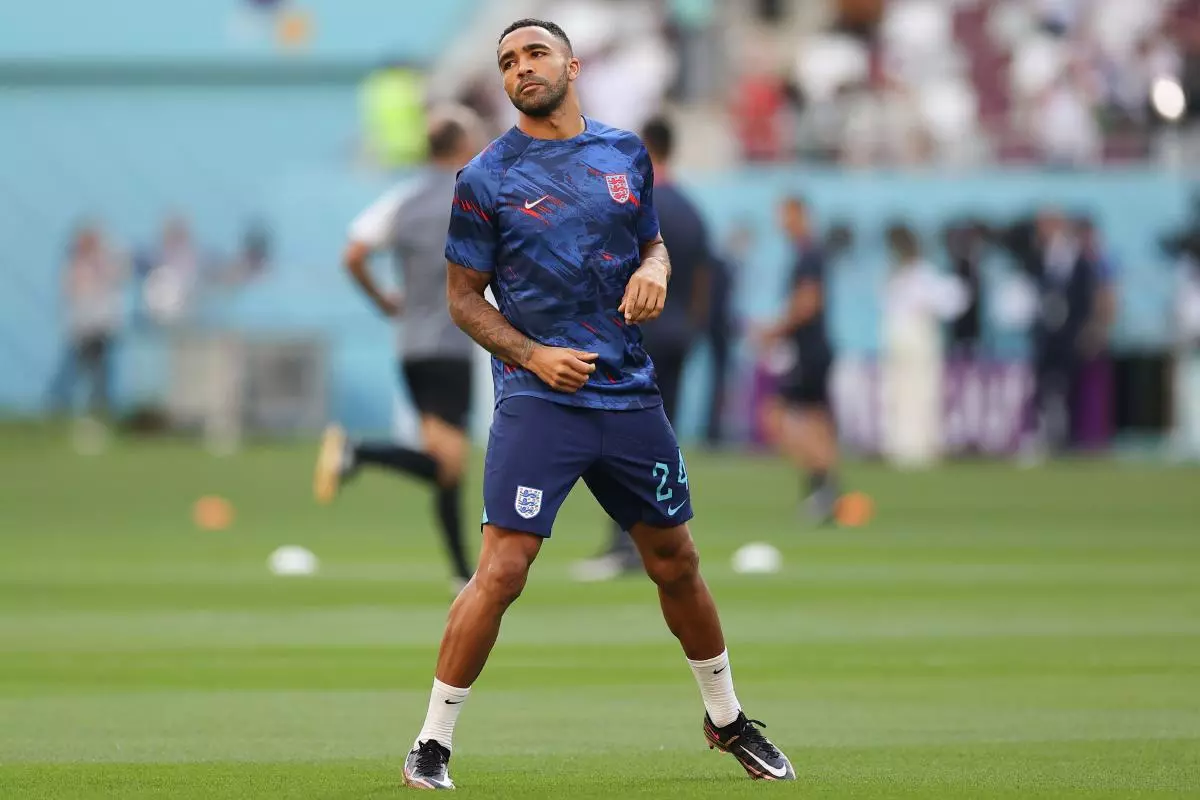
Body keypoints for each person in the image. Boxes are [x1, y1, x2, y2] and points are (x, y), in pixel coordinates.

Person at [401, 18, 794, 790]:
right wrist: (532, 354)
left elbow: (652, 242)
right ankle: (432, 742)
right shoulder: (484, 177)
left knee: (676, 561)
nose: (521, 68)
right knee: (504, 570)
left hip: (628, 395)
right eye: (507, 60)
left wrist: (658, 266)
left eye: (535, 53)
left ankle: (726, 719)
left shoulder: (624, 154)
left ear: (572, 65)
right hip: (538, 400)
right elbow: (462, 301)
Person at [313, 107, 485, 590]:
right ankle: (357, 452)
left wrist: (386, 301)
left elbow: (353, 254)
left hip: (411, 343)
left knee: (447, 463)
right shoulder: (473, 195)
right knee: (449, 463)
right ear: (457, 148)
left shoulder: (402, 200)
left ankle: (458, 571)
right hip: (452, 342)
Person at [570, 114, 713, 582]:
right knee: (660, 439)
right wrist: (690, 325)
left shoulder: (634, 202)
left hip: (637, 331)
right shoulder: (691, 209)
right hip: (679, 333)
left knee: (616, 439)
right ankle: (663, 536)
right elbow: (704, 279)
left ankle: (623, 544)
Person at [758, 196, 842, 522]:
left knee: (776, 416)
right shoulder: (810, 253)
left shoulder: (808, 255)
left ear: (800, 215)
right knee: (817, 421)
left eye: (785, 215)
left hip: (808, 351)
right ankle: (824, 491)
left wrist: (775, 330)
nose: (781, 222)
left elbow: (808, 303)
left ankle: (823, 487)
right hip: (815, 349)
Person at [880, 223, 970, 468]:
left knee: (922, 393)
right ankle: (902, 446)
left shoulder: (922, 274)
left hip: (918, 338)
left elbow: (955, 300)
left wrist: (927, 308)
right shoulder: (900, 275)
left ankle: (920, 447)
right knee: (900, 394)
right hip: (903, 340)